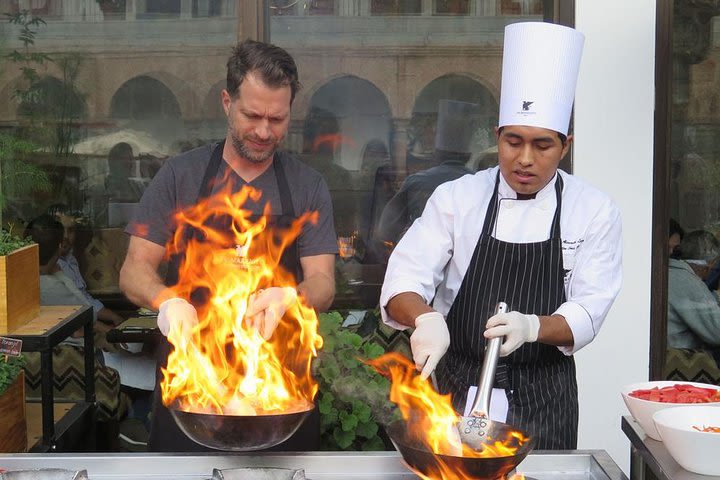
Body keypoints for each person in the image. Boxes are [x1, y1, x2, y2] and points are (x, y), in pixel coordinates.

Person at [379, 22, 622, 450]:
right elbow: (402, 281)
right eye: (513, 141)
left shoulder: (593, 210)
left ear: (565, 146)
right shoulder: (457, 198)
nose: (524, 159)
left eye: (542, 145)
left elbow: (588, 311)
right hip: (458, 387)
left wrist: (532, 327)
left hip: (545, 396)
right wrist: (426, 317)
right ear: (497, 137)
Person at [119, 39, 338, 452]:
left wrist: (291, 296)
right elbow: (133, 270)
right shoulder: (180, 177)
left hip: (279, 392)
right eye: (252, 115)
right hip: (192, 392)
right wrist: (167, 301)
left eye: (277, 119)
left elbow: (324, 282)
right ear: (226, 101)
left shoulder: (307, 187)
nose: (263, 131)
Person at [372, 99, 478, 261]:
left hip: (422, 266)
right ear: (468, 155)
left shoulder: (417, 182)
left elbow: (385, 230)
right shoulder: (479, 185)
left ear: (436, 153)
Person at [668, 225, 720, 351]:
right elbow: (717, 332)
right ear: (710, 264)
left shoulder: (673, 273)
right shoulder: (687, 281)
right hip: (676, 358)